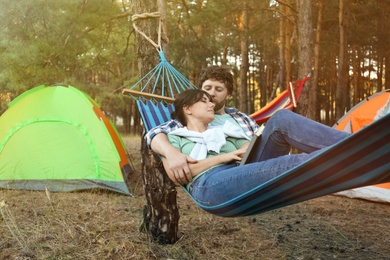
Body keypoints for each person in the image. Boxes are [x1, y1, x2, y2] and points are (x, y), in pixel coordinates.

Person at [167, 89, 350, 206]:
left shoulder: (224, 130)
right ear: (188, 109)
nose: (212, 104)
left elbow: (248, 149)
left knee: (281, 118)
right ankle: (343, 158)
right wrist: (224, 157)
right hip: (209, 183)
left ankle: (352, 144)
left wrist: (250, 145)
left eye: (211, 101)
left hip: (243, 170)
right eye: (204, 101)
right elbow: (181, 175)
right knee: (288, 164)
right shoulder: (175, 138)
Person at [145, 65, 258, 185]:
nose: (212, 94)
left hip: (253, 167)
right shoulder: (193, 119)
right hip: (220, 177)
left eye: (219, 90)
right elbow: (154, 134)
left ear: (228, 95)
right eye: (207, 88)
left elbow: (258, 145)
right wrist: (171, 153)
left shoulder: (244, 119)